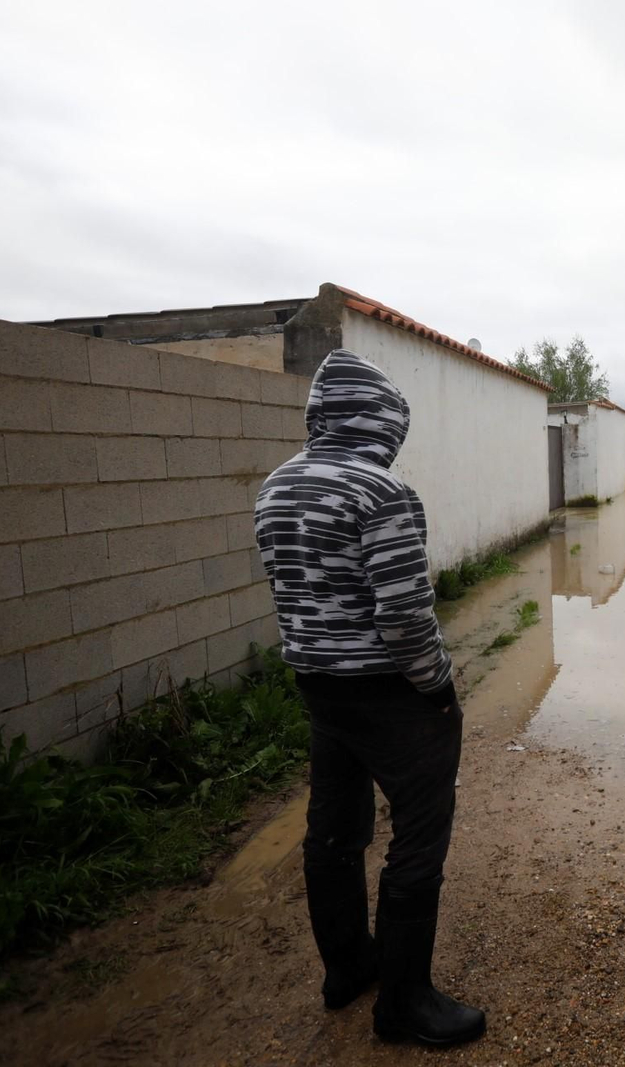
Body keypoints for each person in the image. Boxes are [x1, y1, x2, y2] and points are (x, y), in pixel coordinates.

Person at [254, 349, 485, 1046]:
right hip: (388, 692)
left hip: (319, 689)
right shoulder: (381, 494)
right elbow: (407, 617)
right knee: (418, 833)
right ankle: (404, 1003)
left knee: (334, 827)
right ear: (379, 422)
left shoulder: (274, 488)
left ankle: (348, 967)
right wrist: (440, 687)